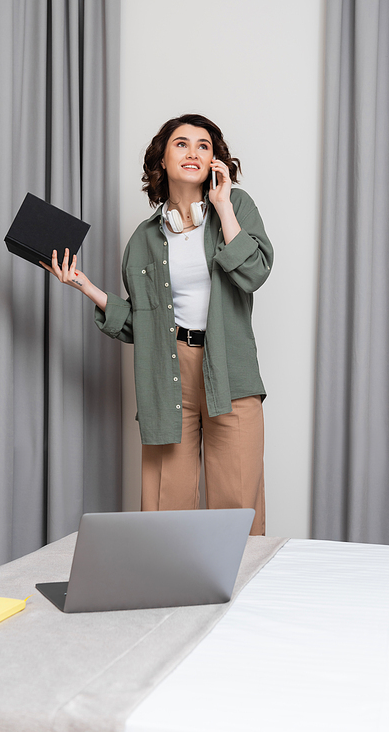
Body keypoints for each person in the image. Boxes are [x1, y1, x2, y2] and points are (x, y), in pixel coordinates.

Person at [42, 114, 273, 534]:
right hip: (168, 375)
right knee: (166, 509)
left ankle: (239, 597)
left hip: (231, 369)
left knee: (238, 505)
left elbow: (254, 273)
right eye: (181, 144)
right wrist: (86, 286)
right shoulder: (143, 239)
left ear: (214, 160)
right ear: (162, 161)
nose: (193, 152)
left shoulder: (236, 208)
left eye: (204, 146)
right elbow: (143, 327)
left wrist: (222, 205)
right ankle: (174, 598)